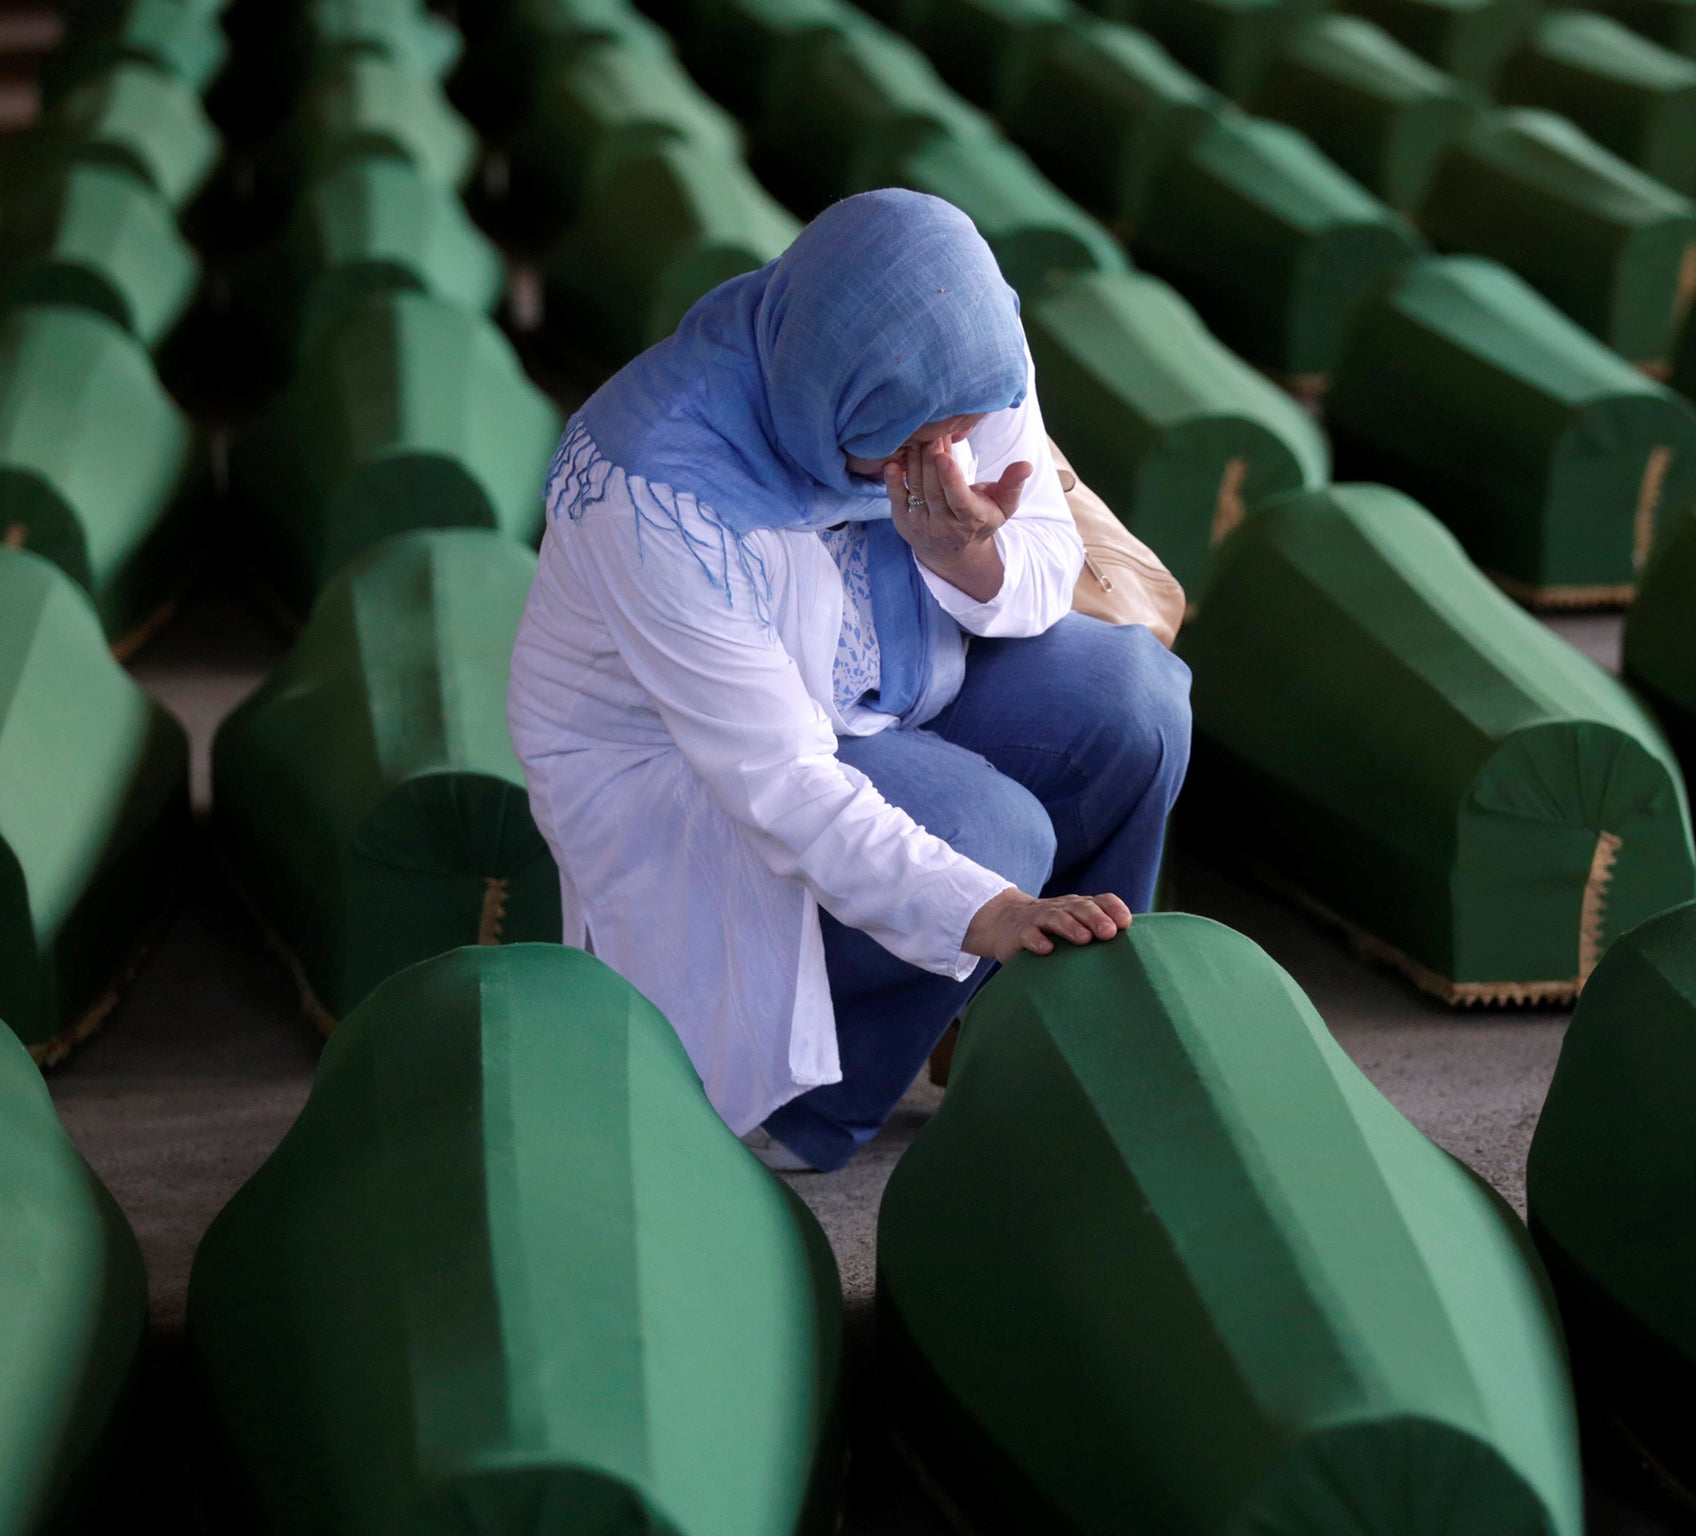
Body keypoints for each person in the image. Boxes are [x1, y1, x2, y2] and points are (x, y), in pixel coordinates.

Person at [507, 190, 1191, 1173]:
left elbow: (1042, 572)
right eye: (908, 449)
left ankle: (1023, 1036)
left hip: (893, 692)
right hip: (701, 777)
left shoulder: (965, 352)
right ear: (829, 396)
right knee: (992, 838)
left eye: (961, 433)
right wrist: (991, 910)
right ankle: (813, 1112)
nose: (942, 466)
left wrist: (963, 558)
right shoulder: (659, 486)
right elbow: (777, 779)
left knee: (1133, 700)